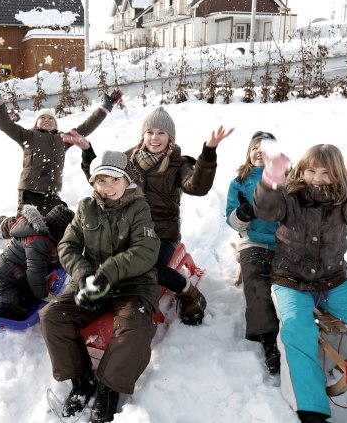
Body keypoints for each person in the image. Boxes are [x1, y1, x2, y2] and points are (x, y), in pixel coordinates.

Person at [253, 125, 347, 423]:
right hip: (291, 282)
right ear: (301, 171)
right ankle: (312, 408)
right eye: (311, 171)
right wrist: (272, 180)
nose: (317, 178)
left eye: (325, 173)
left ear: (338, 176)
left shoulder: (343, 203)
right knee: (297, 331)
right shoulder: (289, 197)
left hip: (334, 281)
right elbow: (265, 209)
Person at [66, 106, 234, 325]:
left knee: (150, 269)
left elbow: (197, 187)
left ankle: (189, 293)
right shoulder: (128, 159)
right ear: (143, 134)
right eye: (150, 132)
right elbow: (103, 178)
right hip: (129, 228)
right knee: (105, 259)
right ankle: (103, 297)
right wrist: (88, 151)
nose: (155, 138)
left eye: (161, 133)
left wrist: (208, 152)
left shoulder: (178, 164)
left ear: (170, 137)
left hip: (162, 233)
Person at [39, 150, 160, 423]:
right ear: (93, 183)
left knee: (134, 327)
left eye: (114, 180)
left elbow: (146, 250)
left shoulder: (139, 208)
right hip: (92, 282)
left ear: (126, 180)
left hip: (133, 284)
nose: (107, 187)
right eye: (100, 181)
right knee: (52, 316)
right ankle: (82, 381)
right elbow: (67, 246)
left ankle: (108, 389)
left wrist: (107, 274)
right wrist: (84, 277)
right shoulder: (86, 208)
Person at [0, 67, 122, 239]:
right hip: (30, 191)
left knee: (64, 221)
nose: (47, 120)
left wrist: (106, 106)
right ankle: (1, 225)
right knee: (25, 227)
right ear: (36, 123)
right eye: (43, 118)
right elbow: (5, 124)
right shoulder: (28, 136)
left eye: (51, 119)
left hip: (52, 194)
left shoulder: (62, 139)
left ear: (56, 125)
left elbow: (86, 127)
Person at [226, 130, 282, 374]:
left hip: (287, 241)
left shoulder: (289, 178)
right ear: (249, 155)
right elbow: (231, 218)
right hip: (255, 242)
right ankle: (269, 340)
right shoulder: (239, 182)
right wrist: (241, 215)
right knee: (256, 282)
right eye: (254, 148)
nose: (260, 151)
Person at [0, 204, 74, 319]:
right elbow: (35, 273)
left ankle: (20, 305)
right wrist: (44, 295)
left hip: (21, 273)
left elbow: (50, 260)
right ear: (61, 231)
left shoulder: (48, 238)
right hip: (7, 275)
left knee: (29, 295)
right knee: (6, 304)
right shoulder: (38, 242)